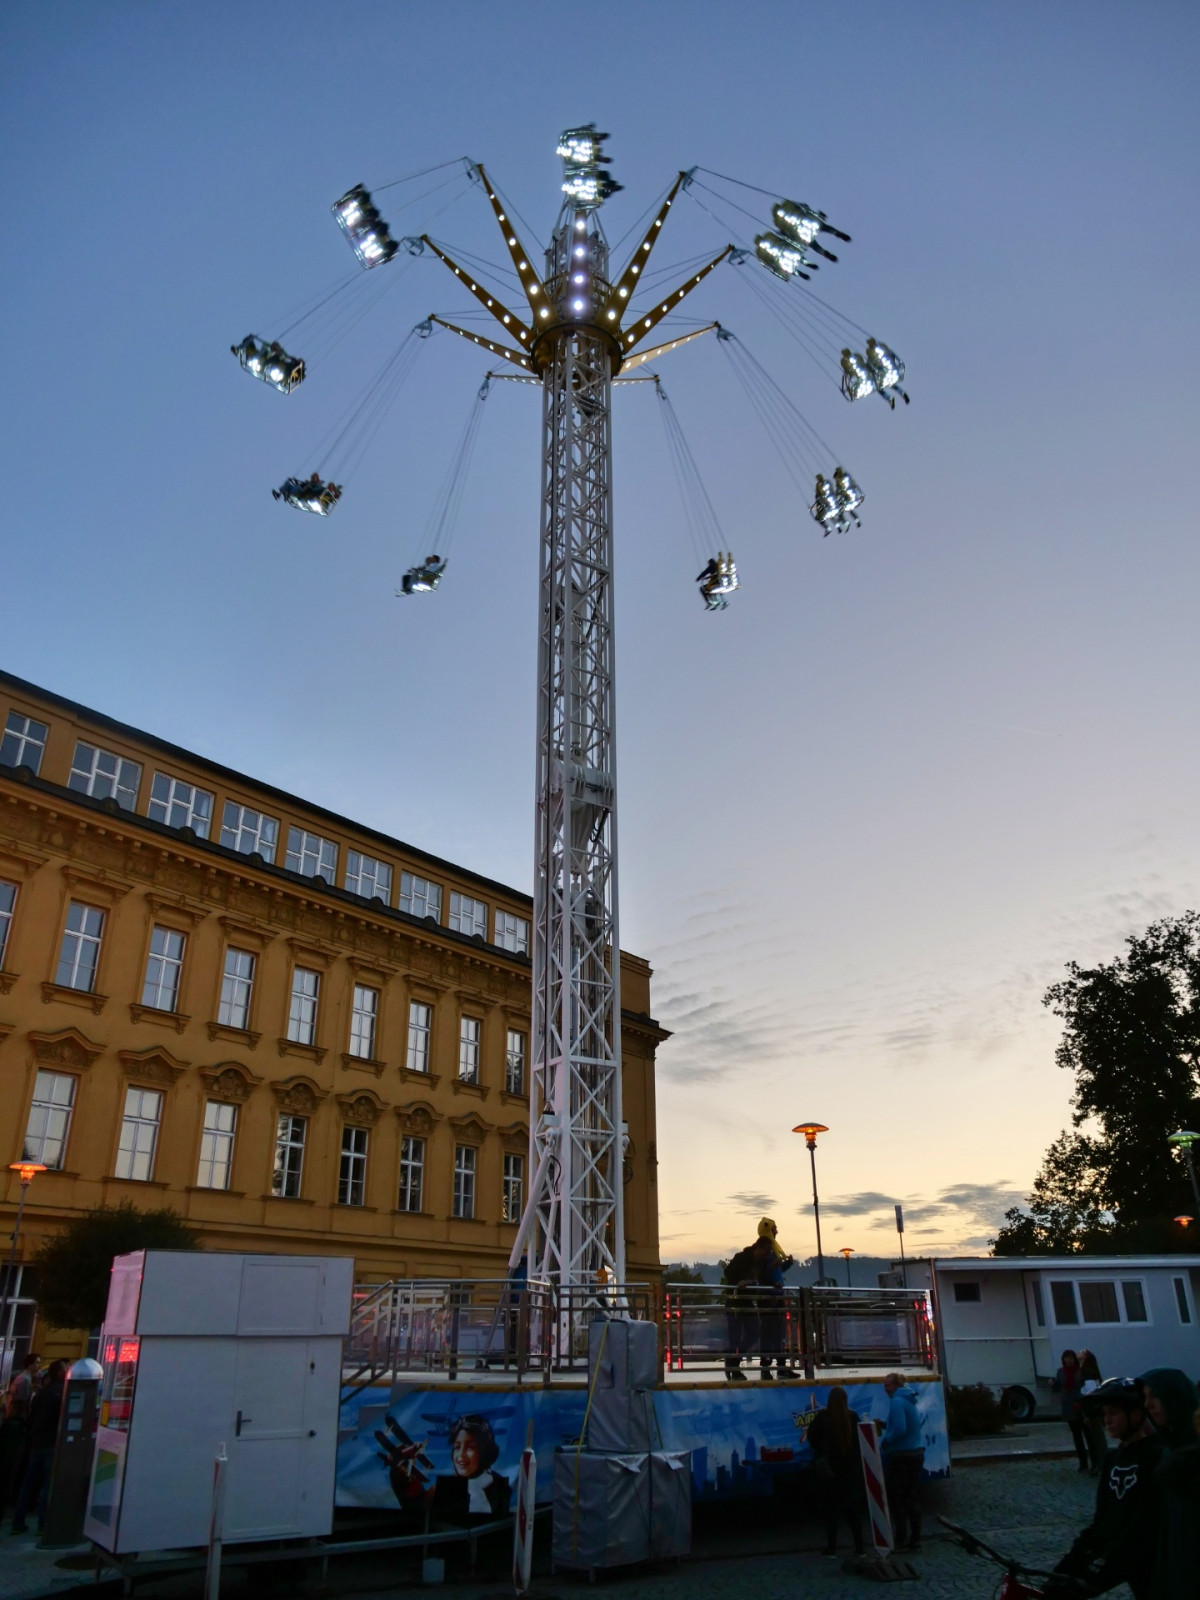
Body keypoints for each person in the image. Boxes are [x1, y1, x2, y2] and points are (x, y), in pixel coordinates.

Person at [1045, 1376, 1164, 1600]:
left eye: (1114, 1413)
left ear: (1135, 1415)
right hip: (1114, 1551)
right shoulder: (1111, 1459)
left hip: (1144, 1557)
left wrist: (1103, 1563)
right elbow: (1102, 1518)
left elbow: (1144, 1520)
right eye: (1104, 1413)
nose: (1107, 1420)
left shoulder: (1155, 1455)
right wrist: (1072, 1559)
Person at [1138, 1368, 1200, 1600]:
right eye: (1145, 1397)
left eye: (1155, 1396)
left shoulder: (1192, 1455)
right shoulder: (1166, 1453)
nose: (1148, 1404)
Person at [10, 1359, 67, 1536]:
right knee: (47, 1485)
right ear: (59, 1373)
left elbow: (31, 1417)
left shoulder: (40, 1394)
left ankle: (18, 1522)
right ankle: (43, 1525)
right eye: (65, 1369)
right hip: (52, 1443)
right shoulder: (62, 1392)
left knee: (28, 1484)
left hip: (37, 1443)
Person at [807, 1385, 865, 1558]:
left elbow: (812, 1438)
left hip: (830, 1472)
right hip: (849, 1472)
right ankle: (860, 1548)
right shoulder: (853, 1417)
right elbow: (859, 1444)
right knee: (853, 1513)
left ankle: (831, 1548)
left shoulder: (823, 1417)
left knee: (831, 1513)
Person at [431, 1414, 511, 1522]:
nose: (461, 1455)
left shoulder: (500, 1488)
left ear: (485, 1452)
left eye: (470, 1448)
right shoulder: (444, 1488)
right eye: (457, 1447)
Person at [880, 1372, 925, 1552]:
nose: (885, 1389)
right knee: (911, 1497)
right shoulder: (907, 1399)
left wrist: (886, 1441)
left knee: (898, 1498)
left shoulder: (897, 1401)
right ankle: (915, 1538)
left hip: (902, 1456)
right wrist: (885, 1425)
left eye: (887, 1385)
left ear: (896, 1386)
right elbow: (904, 1426)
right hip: (915, 1453)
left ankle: (901, 1538)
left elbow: (900, 1429)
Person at [752, 1230, 797, 1382]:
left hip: (777, 1297)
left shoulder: (771, 1253)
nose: (777, 1231)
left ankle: (781, 1367)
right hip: (767, 1299)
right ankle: (765, 1369)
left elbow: (777, 1270)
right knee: (767, 1334)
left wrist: (787, 1264)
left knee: (779, 1335)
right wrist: (772, 1269)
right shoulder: (761, 1257)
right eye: (775, 1229)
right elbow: (760, 1276)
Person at [0, 1354, 40, 1508]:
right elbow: (23, 1403)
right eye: (36, 1363)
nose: (38, 1366)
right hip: (17, 1422)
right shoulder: (24, 1380)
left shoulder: (24, 1379)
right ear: (29, 1364)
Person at [721, 1239, 762, 1382]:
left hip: (747, 1301)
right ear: (758, 1248)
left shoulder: (758, 1262)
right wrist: (738, 1282)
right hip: (734, 1301)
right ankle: (734, 1367)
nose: (767, 1254)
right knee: (735, 1336)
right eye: (766, 1250)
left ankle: (733, 1360)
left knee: (754, 1332)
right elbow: (728, 1272)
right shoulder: (742, 1258)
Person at [1054, 1349, 1091, 1472]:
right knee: (1076, 1436)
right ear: (1063, 1359)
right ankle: (1083, 1463)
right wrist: (1052, 1384)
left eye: (1071, 1358)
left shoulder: (1079, 1371)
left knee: (1088, 1435)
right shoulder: (1060, 1372)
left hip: (1080, 1404)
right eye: (1066, 1358)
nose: (1069, 1360)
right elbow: (1058, 1386)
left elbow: (1083, 1386)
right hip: (1069, 1405)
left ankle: (1095, 1461)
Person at [1079, 1350, 1107, 1473]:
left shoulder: (1088, 1373)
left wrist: (1087, 1413)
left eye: (1082, 1352)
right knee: (1096, 1438)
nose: (1079, 1353)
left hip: (1092, 1411)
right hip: (1092, 1410)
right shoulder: (1087, 1371)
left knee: (1097, 1438)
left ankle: (1102, 1465)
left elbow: (1090, 1395)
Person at [864, 337, 910, 407]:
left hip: (884, 371)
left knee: (881, 388)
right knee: (891, 385)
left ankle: (890, 398)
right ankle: (902, 394)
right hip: (886, 371)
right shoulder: (879, 349)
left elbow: (869, 365)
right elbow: (892, 355)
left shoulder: (874, 351)